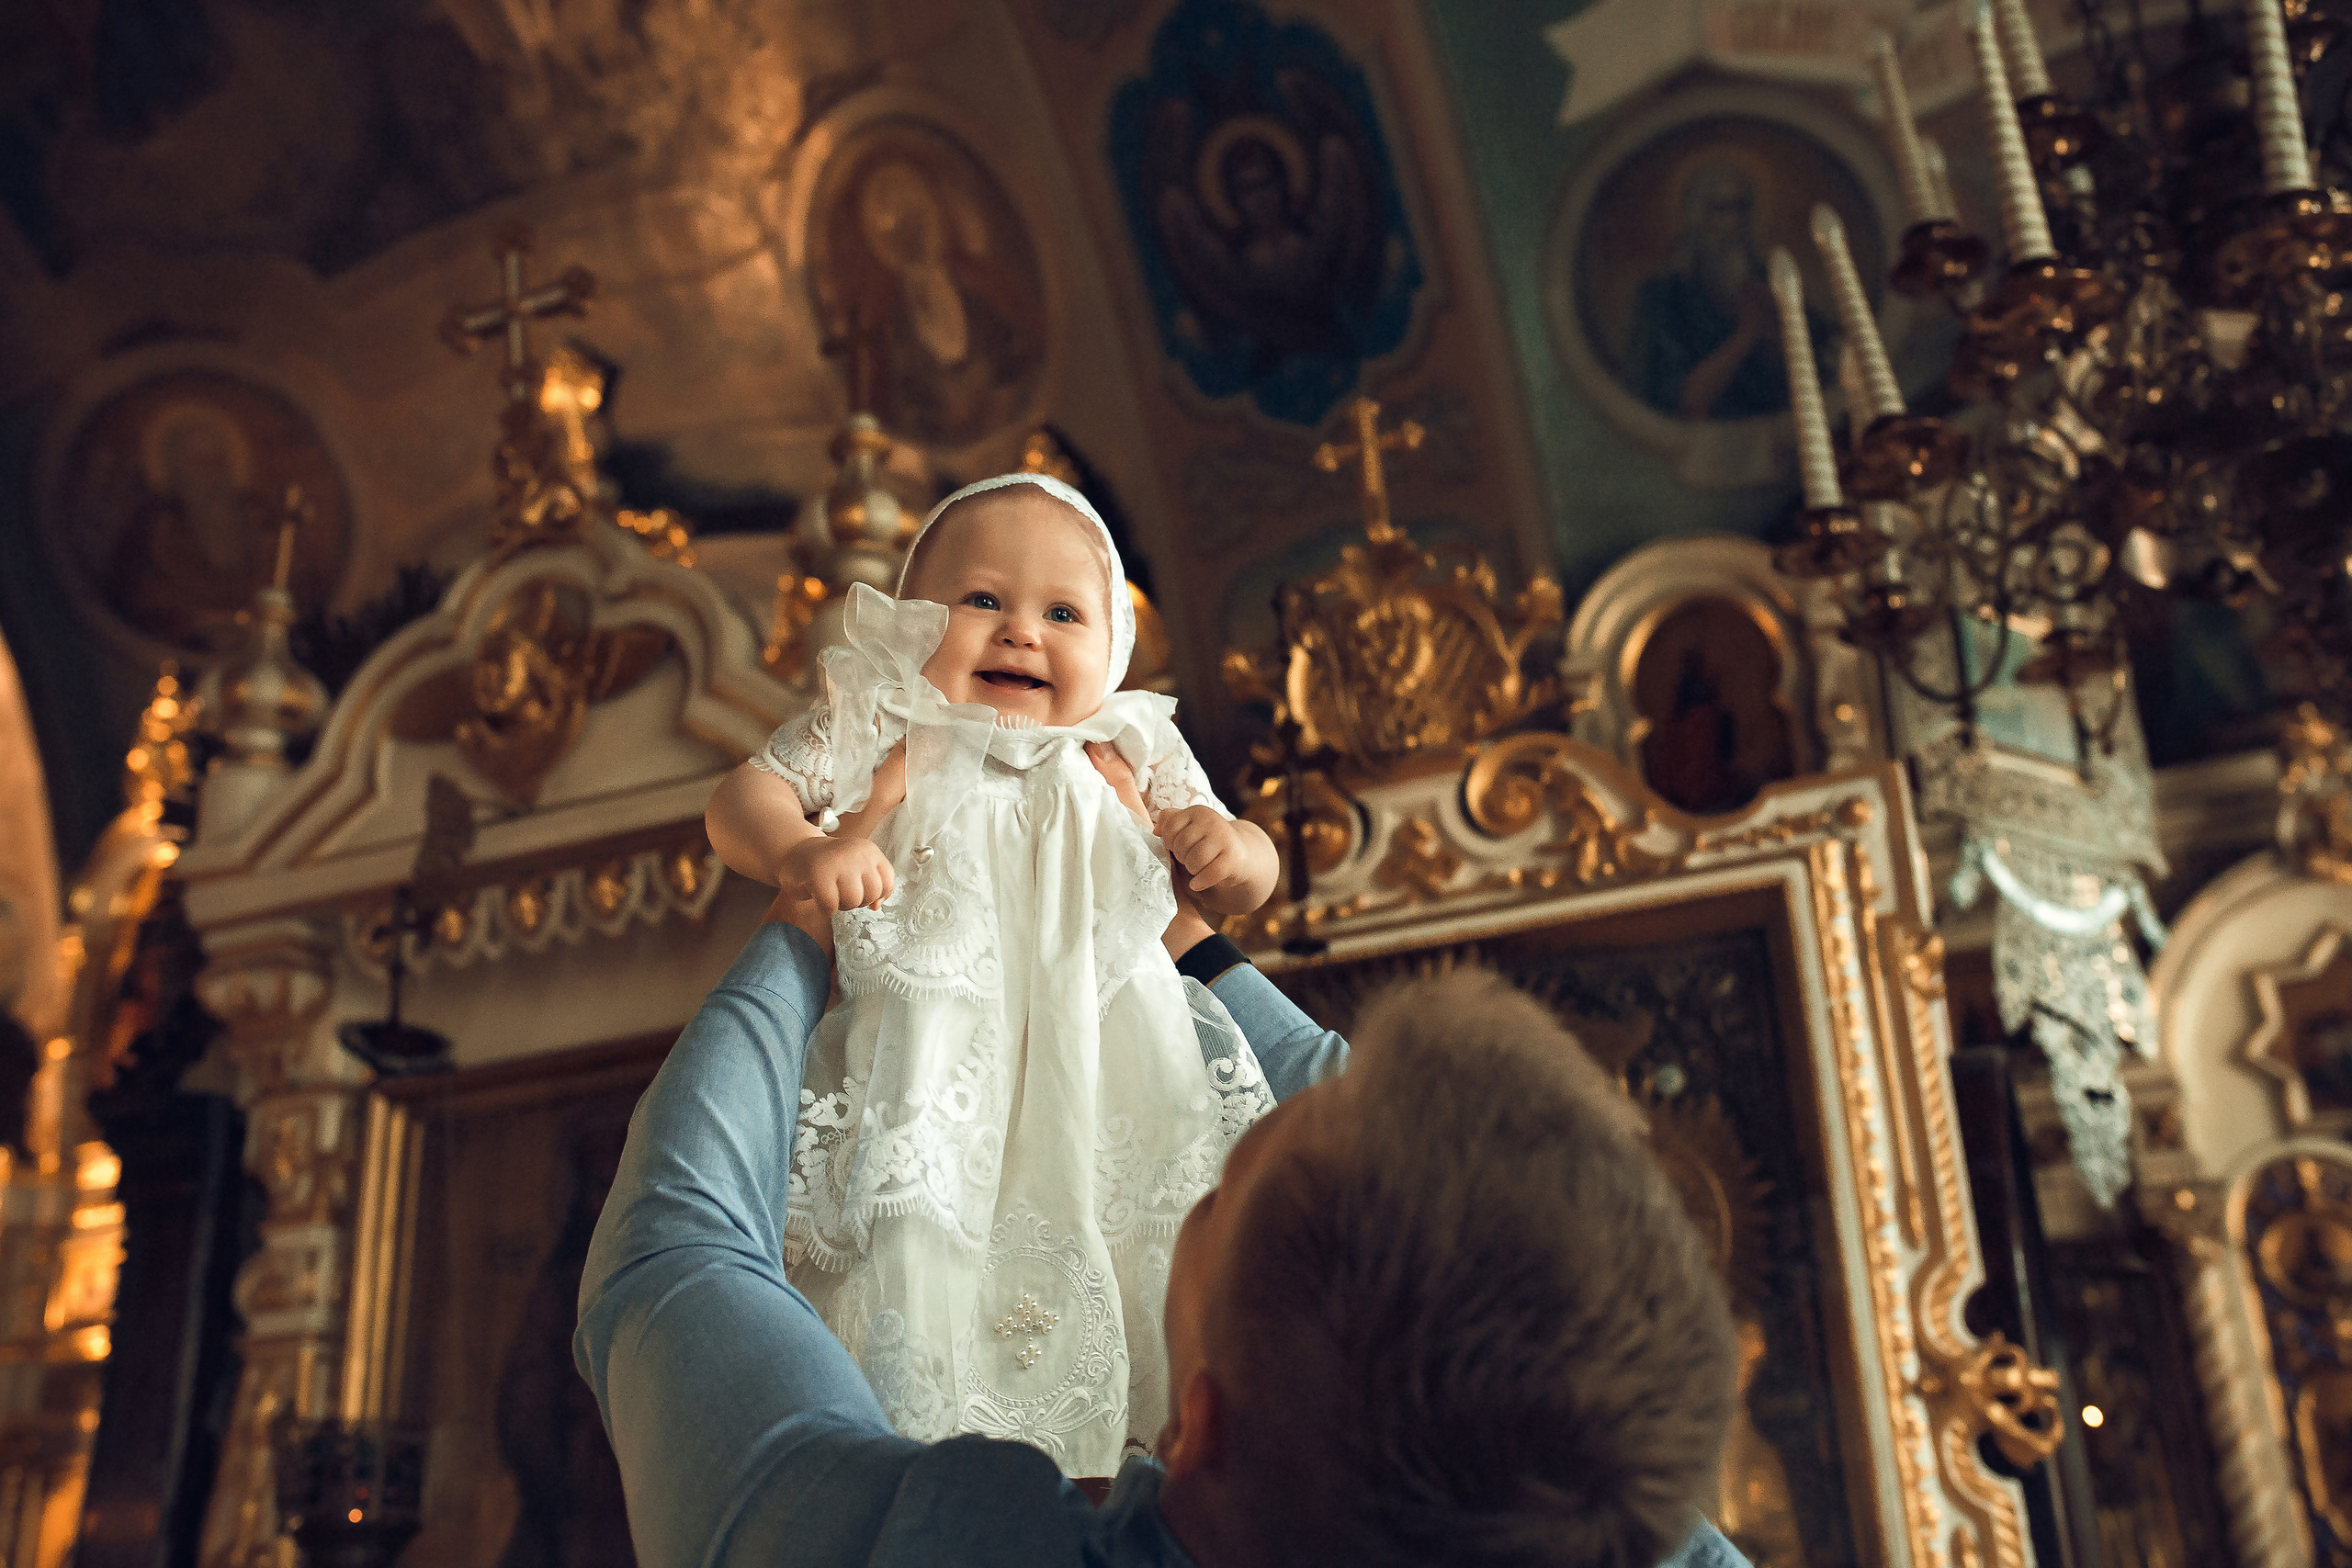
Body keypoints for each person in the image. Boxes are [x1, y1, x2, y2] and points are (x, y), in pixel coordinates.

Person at [573, 869, 1749, 1566]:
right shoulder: (1595, 1502)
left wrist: (803, 924)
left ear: (1201, 1424)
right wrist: (1194, 946)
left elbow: (674, 1255)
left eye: (1220, 1185)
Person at [701, 472, 1282, 1475]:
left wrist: (1227, 848)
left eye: (1063, 612)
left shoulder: (1130, 747)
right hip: (927, 1079)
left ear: (1114, 652)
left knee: (1145, 1262)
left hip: (1109, 1078)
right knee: (914, 1267)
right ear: (912, 627)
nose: (1020, 632)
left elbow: (1251, 878)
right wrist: (803, 852)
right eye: (981, 601)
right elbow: (742, 797)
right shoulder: (884, 720)